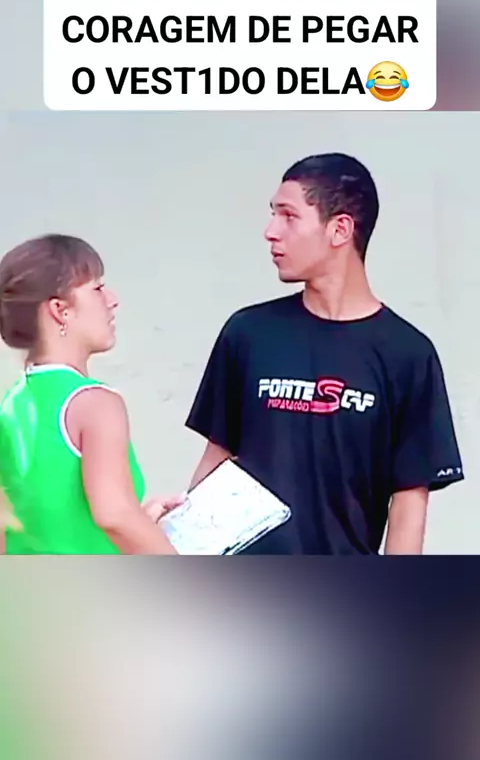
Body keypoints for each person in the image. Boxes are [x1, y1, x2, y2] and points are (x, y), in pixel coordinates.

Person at [185, 152, 464, 555]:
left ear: (340, 229)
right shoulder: (247, 333)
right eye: (273, 214)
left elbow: (408, 505)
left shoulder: (408, 355)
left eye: (288, 216)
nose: (270, 232)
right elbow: (217, 461)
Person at [0, 234, 182, 555]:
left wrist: (142, 521)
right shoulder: (95, 403)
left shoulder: (13, 403)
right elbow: (115, 515)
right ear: (60, 310)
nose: (112, 300)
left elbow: (41, 518)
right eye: (97, 288)